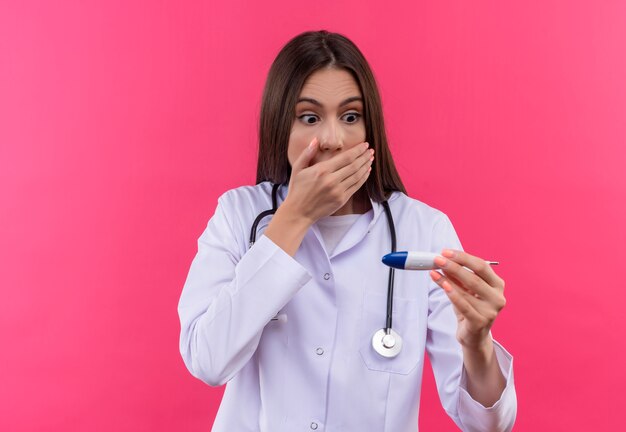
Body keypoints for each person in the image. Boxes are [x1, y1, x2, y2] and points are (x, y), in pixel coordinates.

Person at [178, 30, 517, 431]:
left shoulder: (423, 229)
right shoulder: (239, 216)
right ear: (278, 125)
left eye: (351, 117)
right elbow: (206, 360)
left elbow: (489, 425)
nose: (334, 141)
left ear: (370, 129)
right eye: (309, 117)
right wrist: (294, 218)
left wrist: (477, 343)